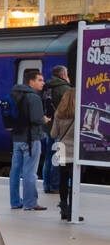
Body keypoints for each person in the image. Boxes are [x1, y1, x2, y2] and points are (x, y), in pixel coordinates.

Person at [9, 68, 49, 212]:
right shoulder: (34, 97)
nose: (43, 83)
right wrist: (45, 119)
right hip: (32, 139)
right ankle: (30, 203)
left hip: (17, 139)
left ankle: (14, 202)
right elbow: (36, 119)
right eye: (40, 80)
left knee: (15, 171)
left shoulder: (14, 94)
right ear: (31, 81)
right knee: (30, 172)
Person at [41, 66, 73, 194]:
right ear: (63, 75)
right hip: (61, 128)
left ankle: (47, 185)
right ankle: (55, 186)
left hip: (48, 127)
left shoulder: (46, 87)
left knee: (48, 157)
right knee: (58, 157)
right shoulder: (65, 89)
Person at [52, 89, 77, 221]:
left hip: (62, 149)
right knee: (74, 182)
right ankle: (73, 211)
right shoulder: (79, 114)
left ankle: (64, 210)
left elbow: (53, 134)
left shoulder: (58, 114)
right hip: (76, 152)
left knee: (63, 180)